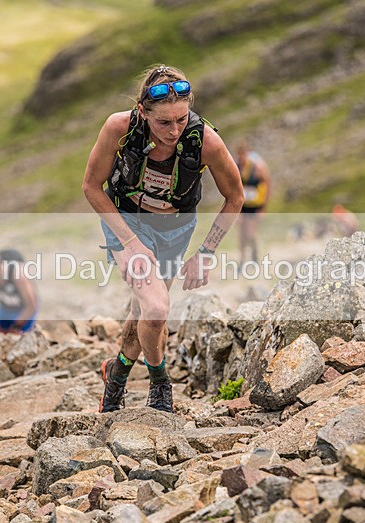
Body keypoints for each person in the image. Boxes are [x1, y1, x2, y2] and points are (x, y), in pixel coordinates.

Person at [82, 65, 244, 413]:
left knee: (145, 312)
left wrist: (206, 253)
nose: (173, 131)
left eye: (181, 120)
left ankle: (117, 374)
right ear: (143, 112)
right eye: (163, 122)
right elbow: (91, 187)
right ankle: (160, 382)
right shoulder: (119, 128)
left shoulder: (206, 142)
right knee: (156, 309)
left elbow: (236, 198)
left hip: (175, 230)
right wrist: (131, 243)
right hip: (126, 222)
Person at [0, 249, 39, 334]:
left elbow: (32, 306)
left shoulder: (19, 276)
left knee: (22, 336)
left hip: (26, 306)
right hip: (5, 305)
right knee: (0, 333)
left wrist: (17, 326)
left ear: (0, 267)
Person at [235, 142, 271, 263]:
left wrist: (263, 208)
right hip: (243, 204)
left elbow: (267, 184)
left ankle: (255, 257)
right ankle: (242, 259)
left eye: (243, 155)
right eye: (239, 156)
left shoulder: (257, 167)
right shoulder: (237, 166)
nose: (241, 158)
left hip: (255, 204)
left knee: (251, 232)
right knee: (241, 232)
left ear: (247, 154)